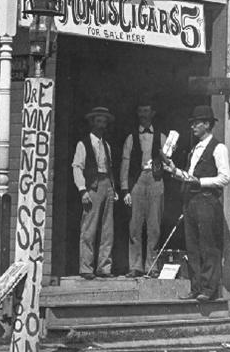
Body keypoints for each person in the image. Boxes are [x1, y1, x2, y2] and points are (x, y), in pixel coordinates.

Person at [161, 105, 230, 302]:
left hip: (207, 201)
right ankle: (196, 287)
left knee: (209, 245)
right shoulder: (194, 150)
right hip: (191, 201)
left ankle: (209, 290)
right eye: (192, 123)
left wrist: (201, 182)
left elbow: (225, 178)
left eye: (196, 123)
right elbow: (190, 177)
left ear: (207, 125)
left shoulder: (219, 148)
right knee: (193, 246)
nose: (192, 127)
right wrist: (174, 170)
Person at [120, 101, 167, 277]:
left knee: (154, 226)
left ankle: (152, 266)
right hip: (137, 181)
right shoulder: (131, 138)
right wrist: (125, 189)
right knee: (135, 225)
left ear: (152, 113)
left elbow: (168, 162)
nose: (143, 115)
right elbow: (125, 164)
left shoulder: (162, 137)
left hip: (156, 180)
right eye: (140, 111)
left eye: (146, 111)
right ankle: (135, 266)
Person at [72, 106, 118, 279]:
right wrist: (82, 189)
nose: (101, 125)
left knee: (108, 229)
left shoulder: (106, 145)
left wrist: (112, 188)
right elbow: (77, 167)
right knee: (89, 228)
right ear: (92, 123)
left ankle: (104, 267)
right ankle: (86, 267)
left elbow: (109, 167)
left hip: (107, 184)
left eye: (104, 122)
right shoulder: (83, 144)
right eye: (98, 121)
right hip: (92, 185)